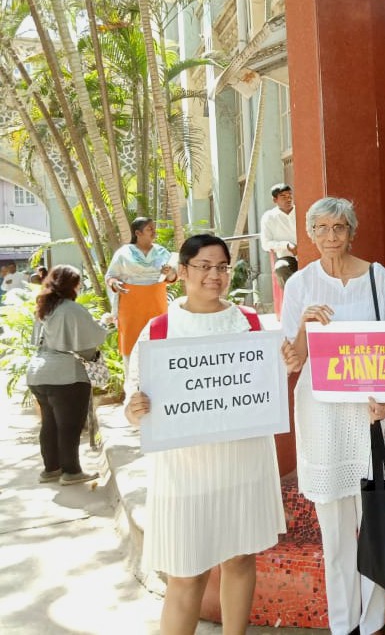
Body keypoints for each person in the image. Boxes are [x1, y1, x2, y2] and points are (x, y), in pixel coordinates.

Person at [123, 234, 284, 635]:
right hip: (184, 471)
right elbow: (134, 395)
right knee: (186, 573)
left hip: (243, 463)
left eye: (222, 267)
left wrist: (287, 361)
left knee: (239, 560)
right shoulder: (159, 329)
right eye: (204, 267)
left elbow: (266, 382)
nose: (215, 275)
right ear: (182, 272)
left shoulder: (248, 321)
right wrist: (134, 407)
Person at [280, 197, 385, 635]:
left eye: (340, 227)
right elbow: (292, 361)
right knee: (334, 527)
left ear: (352, 231)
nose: (332, 236)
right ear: (310, 235)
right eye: (323, 228)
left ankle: (373, 622)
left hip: (370, 412)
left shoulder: (376, 276)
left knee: (374, 519)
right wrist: (304, 326)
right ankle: (343, 623)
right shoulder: (300, 285)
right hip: (323, 416)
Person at [26, 265, 109, 485]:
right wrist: (105, 325)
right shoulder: (72, 309)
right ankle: (71, 472)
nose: (80, 287)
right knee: (69, 426)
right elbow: (88, 344)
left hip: (37, 372)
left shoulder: (45, 306)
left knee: (50, 423)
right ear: (71, 285)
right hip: (65, 376)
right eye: (78, 282)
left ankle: (51, 469)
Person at [105, 217, 177, 361]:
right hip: (131, 304)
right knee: (131, 343)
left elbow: (172, 278)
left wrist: (169, 273)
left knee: (158, 339)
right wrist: (114, 283)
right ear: (137, 233)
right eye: (150, 229)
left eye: (154, 229)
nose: (154, 232)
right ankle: (133, 382)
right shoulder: (123, 253)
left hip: (156, 302)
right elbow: (111, 275)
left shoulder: (162, 251)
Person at [260, 182, 298, 286]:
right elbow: (266, 244)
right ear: (275, 200)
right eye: (283, 196)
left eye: (290, 195)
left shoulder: (301, 211)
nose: (288, 199)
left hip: (308, 254)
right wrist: (286, 245)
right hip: (287, 258)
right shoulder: (269, 217)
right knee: (281, 268)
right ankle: (294, 299)